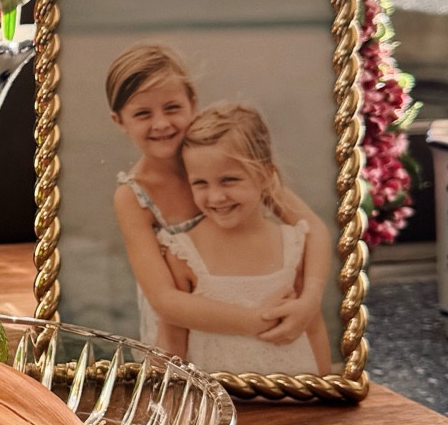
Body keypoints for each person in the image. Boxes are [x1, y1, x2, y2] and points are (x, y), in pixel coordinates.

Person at [107, 44, 331, 360]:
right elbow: (165, 300)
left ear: (192, 103)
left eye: (172, 108)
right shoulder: (133, 196)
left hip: (257, 316)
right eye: (143, 113)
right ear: (119, 120)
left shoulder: (222, 159)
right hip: (185, 332)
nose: (161, 124)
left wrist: (309, 300)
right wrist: (254, 320)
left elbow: (314, 229)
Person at [161, 103, 333, 375]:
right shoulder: (183, 252)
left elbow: (312, 324)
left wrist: (326, 390)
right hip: (219, 403)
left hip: (293, 392)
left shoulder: (294, 245)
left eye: (229, 180)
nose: (216, 197)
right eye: (200, 183)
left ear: (264, 175)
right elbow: (172, 338)